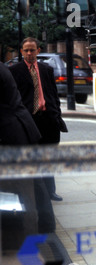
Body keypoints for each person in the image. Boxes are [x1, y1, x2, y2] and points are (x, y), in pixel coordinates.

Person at [9, 37, 68, 202]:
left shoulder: (46, 69)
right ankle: (36, 192)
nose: (29, 53)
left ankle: (50, 191)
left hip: (48, 120)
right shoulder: (15, 71)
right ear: (21, 52)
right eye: (26, 50)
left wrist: (56, 113)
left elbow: (53, 94)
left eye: (32, 50)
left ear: (38, 51)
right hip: (29, 120)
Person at [0, 61, 55, 234]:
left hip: (13, 131)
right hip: (20, 127)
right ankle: (46, 224)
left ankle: (32, 226)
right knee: (35, 180)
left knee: (26, 183)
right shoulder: (2, 66)